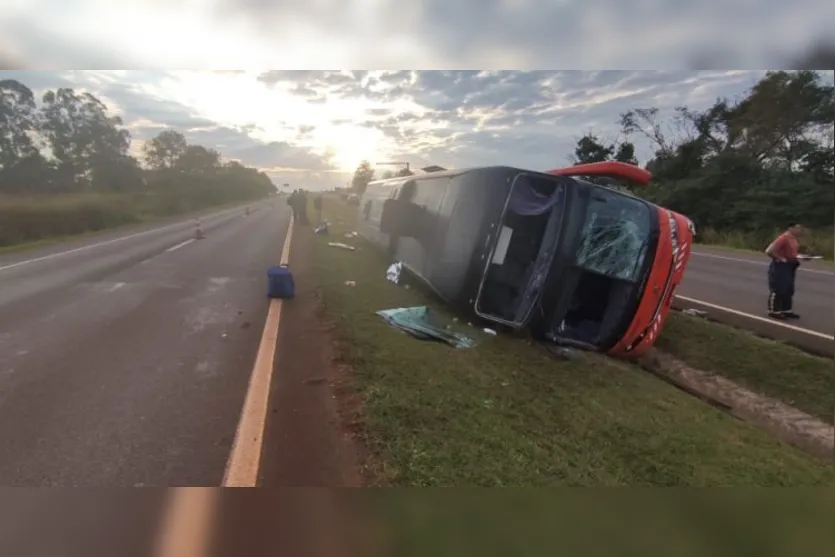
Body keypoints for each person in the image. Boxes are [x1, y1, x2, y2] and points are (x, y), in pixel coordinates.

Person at [765, 224, 803, 320]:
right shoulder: (784, 238)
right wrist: (780, 258)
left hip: (790, 265)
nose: (799, 230)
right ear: (790, 228)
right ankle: (774, 310)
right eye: (797, 228)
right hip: (781, 266)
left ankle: (786, 310)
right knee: (779, 287)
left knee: (788, 288)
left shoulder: (793, 238)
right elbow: (769, 250)